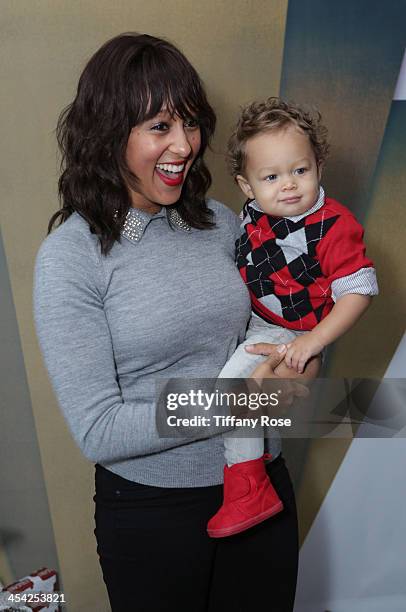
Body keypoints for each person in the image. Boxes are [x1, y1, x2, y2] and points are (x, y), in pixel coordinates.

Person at [33, 34, 302, 611]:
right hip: (155, 514)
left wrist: (301, 362)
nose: (185, 143)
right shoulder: (71, 256)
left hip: (262, 484)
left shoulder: (223, 222)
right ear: (108, 133)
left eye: (190, 123)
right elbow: (98, 429)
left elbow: (272, 336)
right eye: (159, 126)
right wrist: (236, 403)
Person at [207, 97, 378, 538]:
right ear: (247, 187)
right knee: (245, 400)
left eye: (299, 170)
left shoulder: (334, 225)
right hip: (260, 321)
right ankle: (256, 457)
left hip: (290, 331)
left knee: (234, 390)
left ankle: (248, 488)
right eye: (271, 176)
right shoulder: (253, 215)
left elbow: (358, 291)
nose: (287, 185)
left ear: (319, 165)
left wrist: (313, 343)